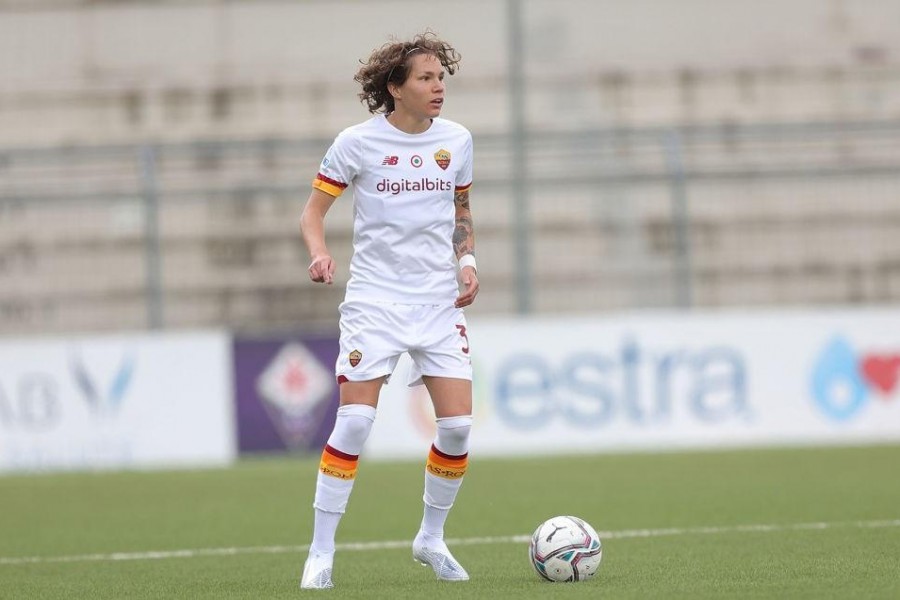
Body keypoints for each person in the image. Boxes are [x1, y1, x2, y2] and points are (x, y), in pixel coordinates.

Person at [298, 31, 479, 590]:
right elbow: (311, 215)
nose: (437, 87)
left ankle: (430, 537)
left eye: (441, 78)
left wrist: (467, 260)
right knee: (354, 422)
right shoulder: (356, 143)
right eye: (425, 79)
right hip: (375, 302)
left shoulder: (457, 140)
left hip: (436, 302)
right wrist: (320, 253)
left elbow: (462, 211)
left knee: (456, 429)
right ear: (394, 88)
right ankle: (321, 553)